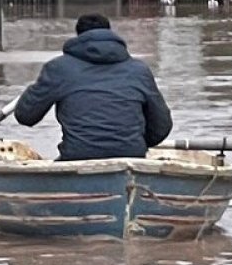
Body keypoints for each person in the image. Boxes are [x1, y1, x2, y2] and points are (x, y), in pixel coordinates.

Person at [15, 14, 173, 161]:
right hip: (132, 157)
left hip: (77, 158)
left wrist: (38, 86)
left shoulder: (58, 69)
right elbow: (162, 126)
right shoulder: (140, 71)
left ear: (78, 36)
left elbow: (25, 115)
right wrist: (133, 143)